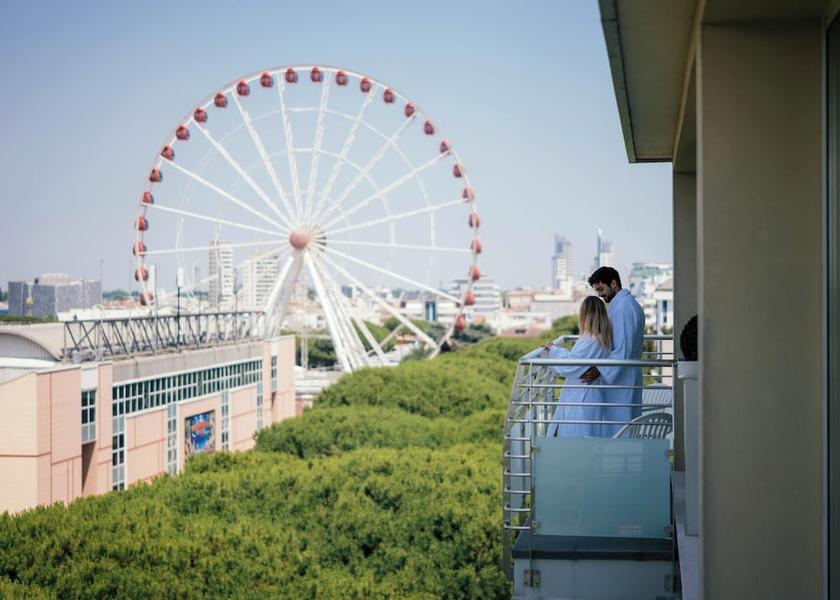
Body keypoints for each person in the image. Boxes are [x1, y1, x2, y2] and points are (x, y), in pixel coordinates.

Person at [581, 266, 645, 437]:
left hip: (623, 380)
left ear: (614, 283)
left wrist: (599, 369)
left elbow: (623, 349)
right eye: (597, 291)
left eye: (601, 289)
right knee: (620, 428)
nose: (600, 295)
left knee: (619, 429)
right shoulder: (625, 305)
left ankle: (619, 463)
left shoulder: (624, 308)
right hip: (623, 376)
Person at [543, 296, 613, 437]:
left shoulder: (592, 341)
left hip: (583, 397)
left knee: (579, 438)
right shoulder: (603, 339)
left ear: (585, 315)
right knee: (587, 437)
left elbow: (572, 365)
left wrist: (554, 350)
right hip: (589, 394)